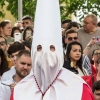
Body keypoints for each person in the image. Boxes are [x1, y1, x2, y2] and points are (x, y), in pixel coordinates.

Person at [12, 0, 94, 100]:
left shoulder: (79, 89)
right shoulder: (20, 91)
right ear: (32, 52)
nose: (46, 53)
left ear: (59, 52)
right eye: (39, 48)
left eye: (52, 48)